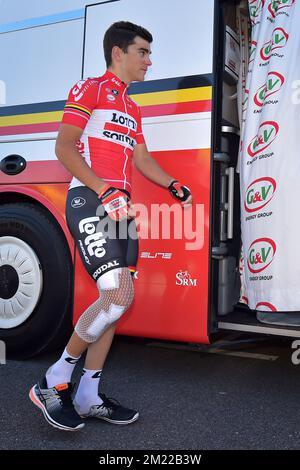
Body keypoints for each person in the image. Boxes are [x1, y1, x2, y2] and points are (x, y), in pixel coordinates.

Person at [29, 21, 192, 431]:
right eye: (143, 52)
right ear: (118, 52)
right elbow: (64, 147)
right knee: (118, 295)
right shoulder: (90, 89)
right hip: (91, 199)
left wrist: (172, 182)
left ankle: (87, 395)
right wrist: (103, 190)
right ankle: (55, 379)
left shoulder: (134, 108)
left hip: (121, 207)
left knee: (116, 305)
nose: (149, 61)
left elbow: (141, 159)